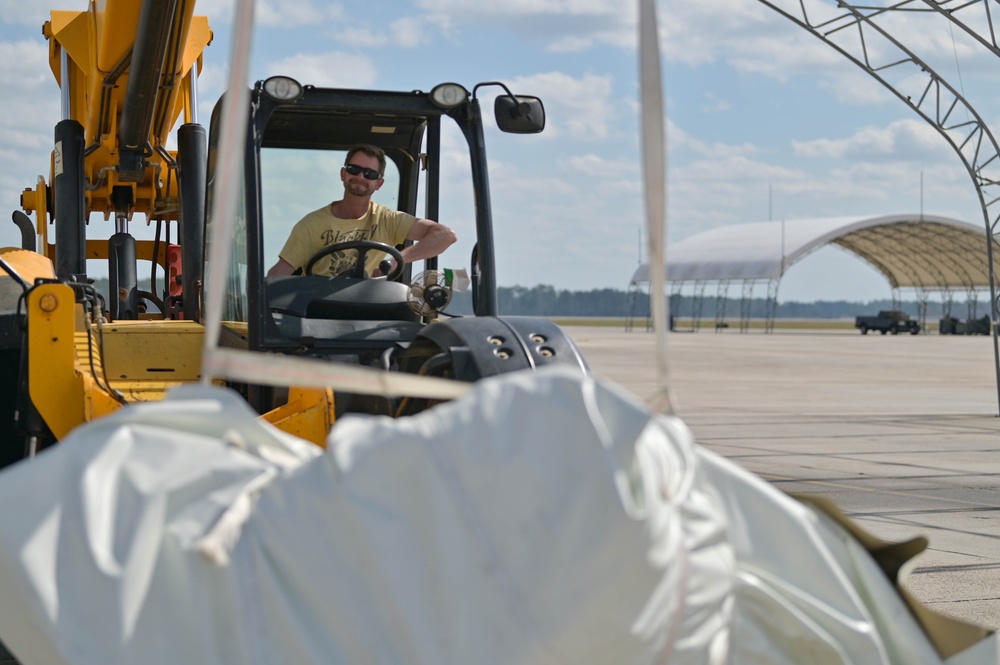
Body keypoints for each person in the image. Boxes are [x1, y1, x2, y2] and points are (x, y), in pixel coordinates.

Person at [267, 144, 457, 278]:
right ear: (343, 174)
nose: (360, 177)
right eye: (353, 169)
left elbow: (445, 236)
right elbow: (278, 274)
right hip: (317, 313)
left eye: (369, 174)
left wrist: (393, 262)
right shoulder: (311, 224)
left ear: (379, 183)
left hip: (367, 310)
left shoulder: (388, 220)